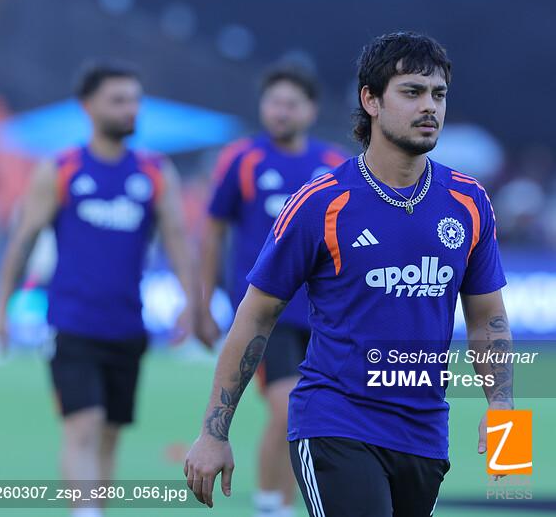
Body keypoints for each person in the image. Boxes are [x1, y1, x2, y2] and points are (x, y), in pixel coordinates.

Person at [184, 32, 514, 516]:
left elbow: (488, 318)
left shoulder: (468, 201)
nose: (429, 106)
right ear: (371, 100)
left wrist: (505, 415)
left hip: (425, 434)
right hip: (335, 424)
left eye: (438, 94)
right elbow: (256, 314)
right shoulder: (322, 201)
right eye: (412, 92)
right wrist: (214, 433)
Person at [0, 62, 196, 517]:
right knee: (84, 426)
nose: (130, 109)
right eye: (118, 100)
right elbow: (23, 242)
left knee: (110, 434)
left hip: (127, 324)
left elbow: (176, 240)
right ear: (88, 106)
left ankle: (94, 509)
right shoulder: (60, 169)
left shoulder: (155, 171)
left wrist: (192, 303)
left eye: (134, 100)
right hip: (72, 323)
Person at [197, 65, 347, 517]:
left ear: (311, 110)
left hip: (323, 315)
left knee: (314, 415)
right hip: (268, 315)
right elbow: (213, 231)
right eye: (274, 102)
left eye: (291, 104)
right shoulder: (242, 160)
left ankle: (284, 502)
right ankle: (269, 505)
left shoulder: (335, 164)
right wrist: (202, 301)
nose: (281, 112)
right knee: (288, 407)